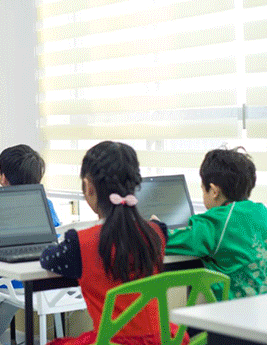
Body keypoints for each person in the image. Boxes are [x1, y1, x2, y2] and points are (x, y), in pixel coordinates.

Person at [39, 141, 188, 345]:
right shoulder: (157, 233)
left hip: (113, 342)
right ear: (135, 186)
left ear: (89, 187)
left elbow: (47, 259)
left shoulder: (79, 244)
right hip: (162, 340)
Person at [165, 147, 267, 300]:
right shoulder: (261, 212)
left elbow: (164, 240)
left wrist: (155, 226)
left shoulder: (218, 221)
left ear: (213, 190)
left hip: (242, 315)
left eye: (203, 190)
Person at [0, 144, 61, 343]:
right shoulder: (46, 203)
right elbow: (56, 233)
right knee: (0, 296)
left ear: (3, 177)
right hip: (41, 278)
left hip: (9, 283)